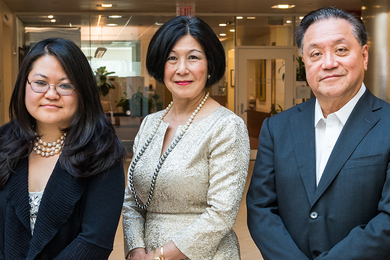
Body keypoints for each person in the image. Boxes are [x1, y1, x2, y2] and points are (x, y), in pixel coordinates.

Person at [247, 6, 390, 260]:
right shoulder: (277, 128)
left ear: (365, 55)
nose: (329, 63)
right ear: (305, 62)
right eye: (315, 53)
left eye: (341, 50)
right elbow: (261, 209)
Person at [122, 16, 250, 260]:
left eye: (193, 57)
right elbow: (132, 201)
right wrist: (135, 250)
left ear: (209, 65)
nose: (182, 69)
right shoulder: (150, 123)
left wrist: (158, 257)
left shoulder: (227, 126)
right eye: (172, 58)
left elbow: (221, 214)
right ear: (161, 66)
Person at [0, 37, 126, 259]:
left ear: (83, 92)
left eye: (65, 85)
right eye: (40, 83)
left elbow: (94, 241)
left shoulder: (103, 152)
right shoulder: (3, 142)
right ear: (24, 86)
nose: (51, 94)